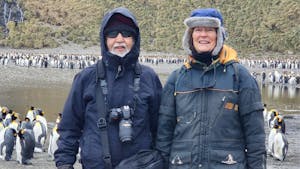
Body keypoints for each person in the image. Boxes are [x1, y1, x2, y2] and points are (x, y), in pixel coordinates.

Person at [155, 8, 266, 169]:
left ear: (219, 35)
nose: (203, 35)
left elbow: (255, 135)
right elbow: (164, 135)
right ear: (190, 36)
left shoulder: (240, 77)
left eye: (209, 30)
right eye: (198, 30)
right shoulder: (176, 78)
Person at [54, 7, 162, 169]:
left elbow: (160, 129)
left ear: (135, 39)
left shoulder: (149, 77)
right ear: (104, 39)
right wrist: (64, 164)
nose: (119, 39)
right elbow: (69, 128)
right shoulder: (86, 77)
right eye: (112, 34)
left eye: (126, 33)